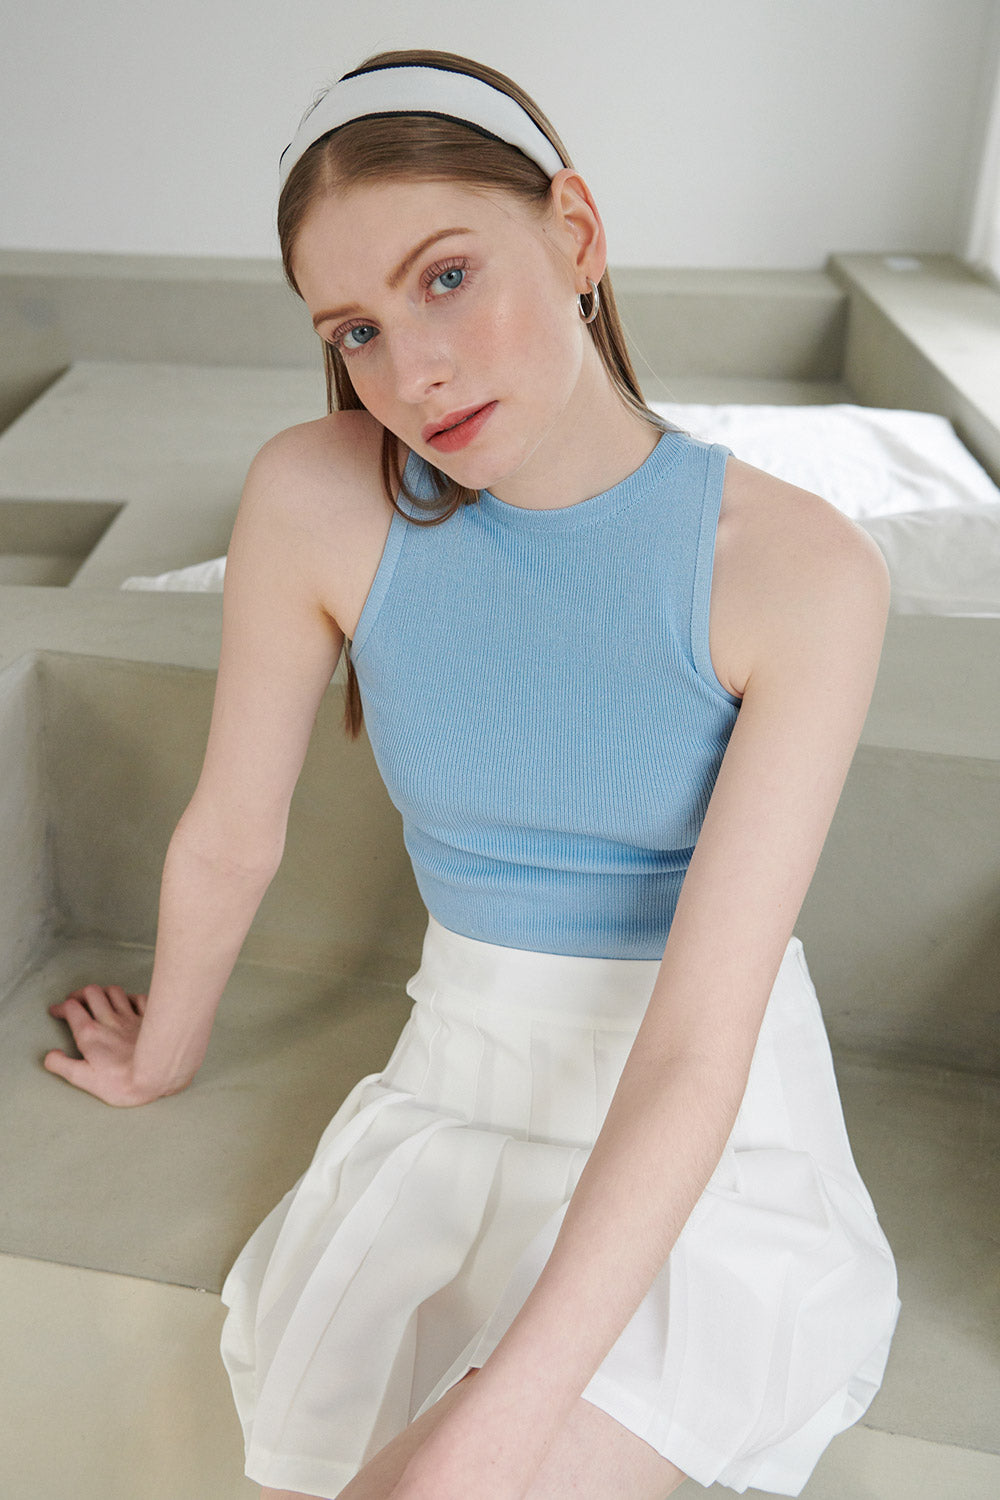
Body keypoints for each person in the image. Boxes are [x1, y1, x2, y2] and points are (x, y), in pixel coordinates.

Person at [42, 49, 900, 1500]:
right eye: (357, 330)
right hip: (452, 1094)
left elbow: (697, 1053)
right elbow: (232, 832)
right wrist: (164, 1052)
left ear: (576, 233)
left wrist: (495, 1429)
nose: (410, 371)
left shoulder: (803, 570)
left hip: (705, 1137)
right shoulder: (316, 493)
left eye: (447, 278)